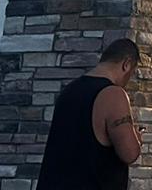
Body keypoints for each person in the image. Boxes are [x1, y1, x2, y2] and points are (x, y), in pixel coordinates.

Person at [37, 37, 144, 189]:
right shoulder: (113, 94)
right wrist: (137, 138)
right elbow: (129, 153)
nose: (128, 80)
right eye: (131, 73)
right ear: (126, 65)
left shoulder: (69, 90)